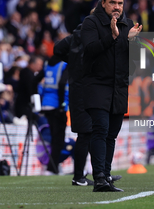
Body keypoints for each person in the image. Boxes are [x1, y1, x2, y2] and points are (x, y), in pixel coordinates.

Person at [80, 0, 142, 192]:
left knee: (111, 134)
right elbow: (89, 51)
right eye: (113, 2)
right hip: (97, 85)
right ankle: (99, 178)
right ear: (103, 3)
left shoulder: (128, 25)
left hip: (119, 88)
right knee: (101, 129)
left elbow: (133, 64)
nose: (117, 6)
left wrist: (132, 41)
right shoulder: (91, 23)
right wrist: (113, 37)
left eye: (120, 3)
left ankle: (105, 176)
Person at [54, 10, 123, 186]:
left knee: (92, 132)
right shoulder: (91, 36)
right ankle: (80, 176)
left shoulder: (75, 36)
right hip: (87, 87)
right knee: (87, 133)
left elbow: (58, 49)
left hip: (80, 87)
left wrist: (74, 62)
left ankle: (100, 173)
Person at [39, 55, 68, 175]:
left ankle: (53, 166)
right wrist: (62, 104)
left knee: (53, 137)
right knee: (58, 139)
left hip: (45, 104)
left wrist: (36, 98)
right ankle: (52, 167)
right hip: (57, 106)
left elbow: (36, 81)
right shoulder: (64, 65)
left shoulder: (47, 65)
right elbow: (62, 84)